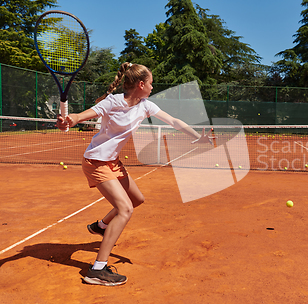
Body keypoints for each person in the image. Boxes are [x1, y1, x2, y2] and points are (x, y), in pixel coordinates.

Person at [56, 62, 213, 286]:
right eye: (150, 83)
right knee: (125, 209)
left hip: (113, 162)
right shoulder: (113, 101)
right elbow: (85, 114)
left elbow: (174, 121)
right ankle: (97, 270)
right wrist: (70, 119)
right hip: (96, 162)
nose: (152, 87)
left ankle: (101, 226)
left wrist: (197, 136)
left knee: (137, 200)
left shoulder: (145, 105)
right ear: (141, 84)